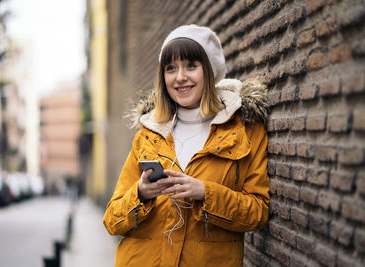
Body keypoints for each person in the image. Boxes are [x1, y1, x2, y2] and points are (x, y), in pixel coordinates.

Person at [103, 24, 270, 267]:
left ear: (209, 71)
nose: (180, 77)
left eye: (191, 65)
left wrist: (205, 193)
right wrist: (140, 194)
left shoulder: (245, 129)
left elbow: (258, 212)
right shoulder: (149, 135)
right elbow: (112, 220)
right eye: (171, 68)